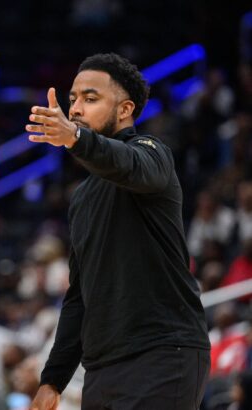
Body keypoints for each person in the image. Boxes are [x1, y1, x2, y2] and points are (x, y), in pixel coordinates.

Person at [25, 53, 211, 409]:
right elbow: (80, 297)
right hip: (103, 368)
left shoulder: (151, 153)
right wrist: (52, 380)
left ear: (125, 110)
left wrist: (75, 138)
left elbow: (128, 164)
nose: (76, 108)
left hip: (163, 353)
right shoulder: (82, 198)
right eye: (73, 100)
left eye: (90, 99)